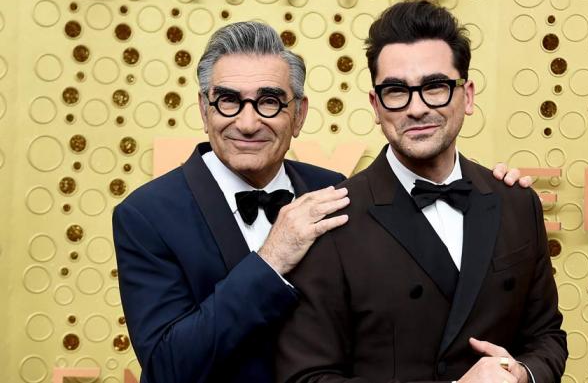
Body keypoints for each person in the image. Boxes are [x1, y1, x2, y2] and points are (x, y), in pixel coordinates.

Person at [113, 21, 531, 383]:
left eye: (270, 101)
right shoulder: (146, 216)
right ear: (205, 110)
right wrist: (270, 261)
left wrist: (489, 190)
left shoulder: (335, 190)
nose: (247, 121)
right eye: (228, 101)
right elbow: (168, 367)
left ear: (299, 115)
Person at [276, 1, 567, 383]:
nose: (416, 108)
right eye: (397, 91)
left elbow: (547, 336)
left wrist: (522, 375)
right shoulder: (332, 220)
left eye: (435, 87)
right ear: (376, 105)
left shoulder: (516, 201)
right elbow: (306, 378)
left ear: (468, 95)